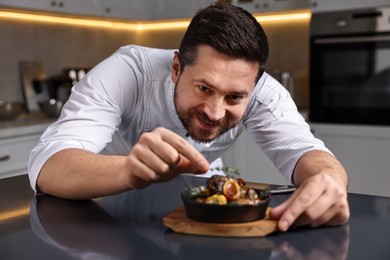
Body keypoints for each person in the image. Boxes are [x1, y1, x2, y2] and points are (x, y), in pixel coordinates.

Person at [28, 3, 350, 232]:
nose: (214, 112)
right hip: (101, 214)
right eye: (203, 88)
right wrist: (129, 169)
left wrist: (329, 183)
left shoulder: (263, 91)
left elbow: (308, 152)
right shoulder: (127, 72)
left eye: (234, 97)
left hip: (199, 213)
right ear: (177, 68)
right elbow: (49, 165)